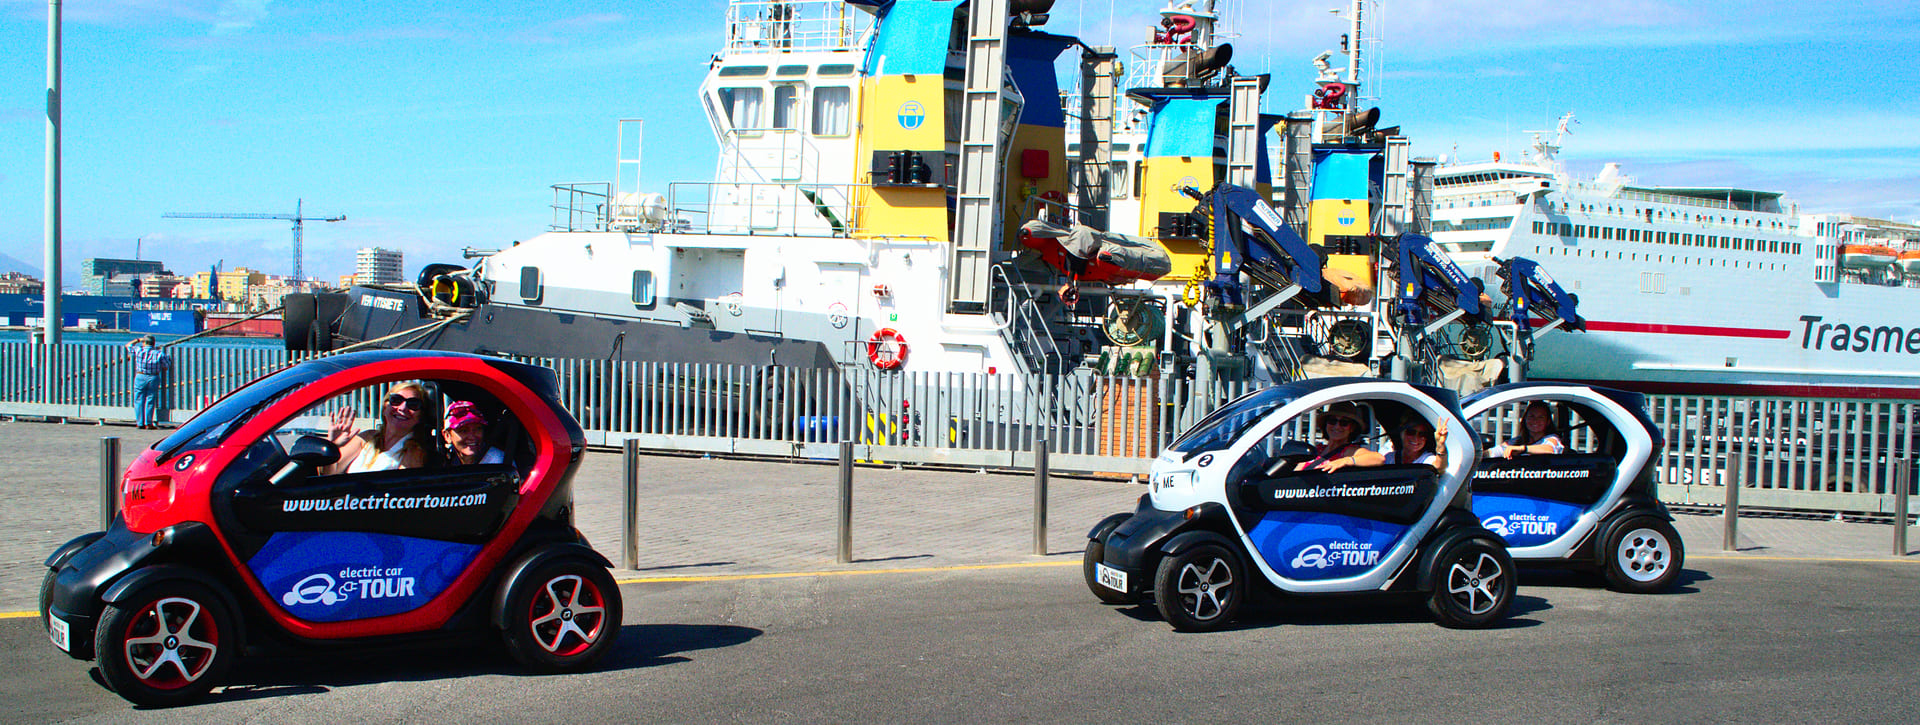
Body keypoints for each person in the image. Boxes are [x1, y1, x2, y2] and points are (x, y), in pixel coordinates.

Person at [325, 382, 437, 474]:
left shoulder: (414, 452)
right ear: (384, 407)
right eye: (396, 400)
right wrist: (333, 445)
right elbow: (330, 476)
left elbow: (403, 494)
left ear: (420, 416)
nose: (403, 408)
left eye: (413, 404)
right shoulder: (367, 437)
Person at [1307, 402, 1384, 472]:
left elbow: (1379, 459)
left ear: (1352, 428)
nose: (1337, 427)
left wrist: (1344, 461)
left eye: (1344, 423)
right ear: (1326, 424)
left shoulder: (1348, 451)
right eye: (1332, 421)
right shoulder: (1317, 449)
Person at [125, 335, 171, 430]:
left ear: (144, 343)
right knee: (150, 399)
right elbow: (166, 365)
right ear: (154, 343)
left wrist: (137, 339)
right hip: (153, 376)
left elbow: (128, 345)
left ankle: (139, 422)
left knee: (138, 399)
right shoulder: (159, 354)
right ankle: (148, 423)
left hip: (140, 376)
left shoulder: (139, 350)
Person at [441, 400, 506, 466]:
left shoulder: (498, 462)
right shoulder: (449, 461)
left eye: (477, 429)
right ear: (447, 436)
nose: (472, 437)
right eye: (464, 431)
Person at [1495, 401, 1565, 458]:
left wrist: (1522, 449)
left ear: (1548, 421)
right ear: (1525, 419)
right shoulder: (1518, 440)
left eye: (1541, 417)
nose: (1535, 420)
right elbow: (1498, 450)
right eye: (1531, 416)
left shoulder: (1552, 438)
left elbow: (1550, 449)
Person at [1384, 418, 1448, 471]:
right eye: (1411, 432)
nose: (1416, 438)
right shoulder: (1389, 458)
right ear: (1401, 433)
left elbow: (1439, 466)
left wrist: (1441, 445)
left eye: (1422, 434)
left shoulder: (1427, 459)